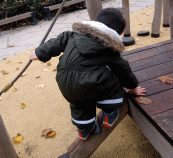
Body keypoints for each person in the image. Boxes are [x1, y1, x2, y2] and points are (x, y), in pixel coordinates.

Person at [30, 8, 146, 141]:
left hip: (63, 80)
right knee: (113, 80)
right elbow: (122, 68)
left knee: (78, 102)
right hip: (89, 83)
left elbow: (58, 41)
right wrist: (133, 86)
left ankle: (84, 130)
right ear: (116, 32)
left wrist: (40, 53)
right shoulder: (108, 47)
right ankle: (110, 112)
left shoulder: (74, 35)